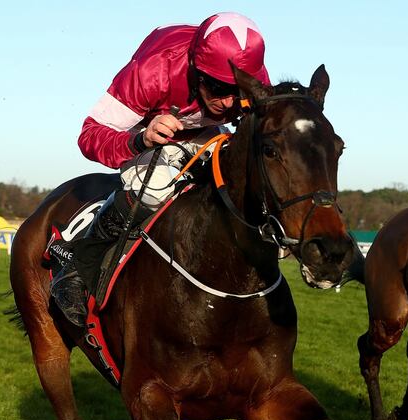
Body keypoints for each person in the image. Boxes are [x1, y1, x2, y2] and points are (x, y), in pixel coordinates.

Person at [51, 12, 271, 327]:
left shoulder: (255, 79)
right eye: (218, 88)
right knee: (155, 188)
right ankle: (75, 271)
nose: (228, 102)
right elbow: (89, 136)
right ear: (196, 70)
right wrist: (140, 140)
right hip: (144, 127)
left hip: (201, 131)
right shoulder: (153, 72)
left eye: (237, 90)